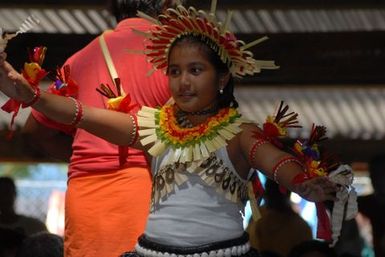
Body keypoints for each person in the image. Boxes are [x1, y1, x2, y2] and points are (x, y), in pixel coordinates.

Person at [0, 1, 340, 256]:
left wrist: (302, 183)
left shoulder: (238, 132)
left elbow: (275, 163)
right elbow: (83, 114)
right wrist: (32, 96)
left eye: (195, 70)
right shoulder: (156, 130)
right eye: (175, 72)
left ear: (222, 78)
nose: (183, 82)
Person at [5, 1, 182, 257]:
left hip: (86, 199)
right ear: (168, 6)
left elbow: (34, 130)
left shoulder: (79, 60)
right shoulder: (179, 59)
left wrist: (89, 153)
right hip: (148, 191)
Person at [247, 179, 313, 257]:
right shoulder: (258, 214)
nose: (266, 194)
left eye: (273, 192)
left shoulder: (300, 227)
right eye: (269, 190)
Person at [357, 154, 385, 257]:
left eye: (382, 174)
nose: (378, 179)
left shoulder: (364, 204)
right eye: (374, 175)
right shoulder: (362, 204)